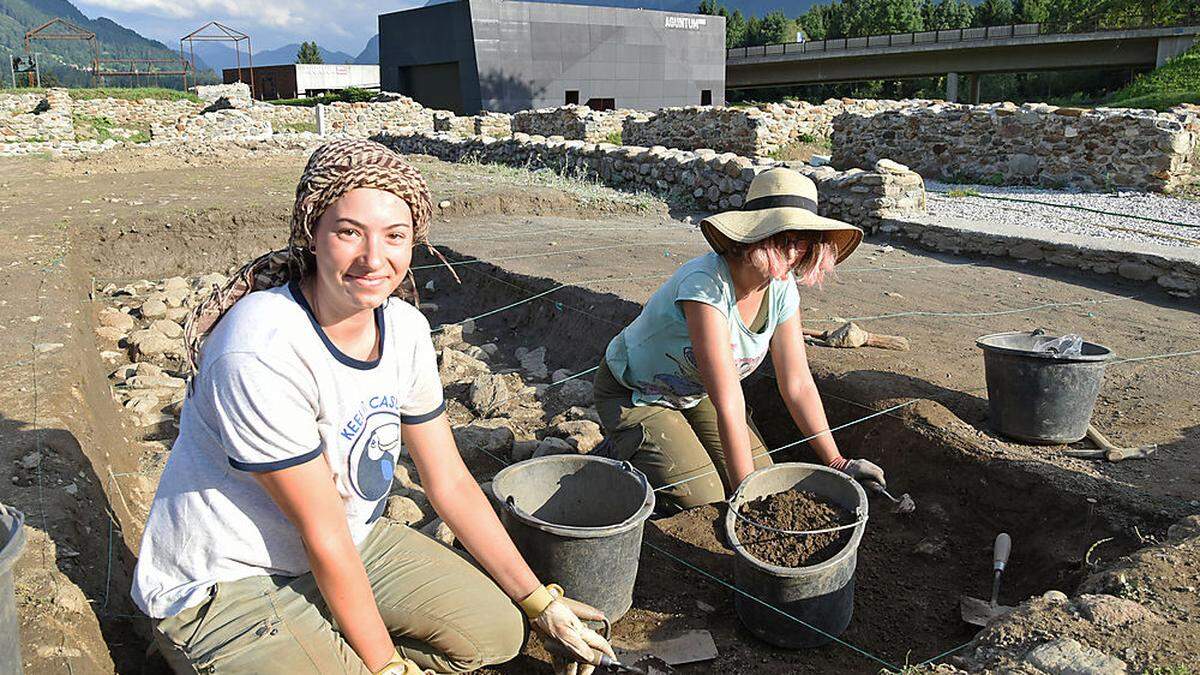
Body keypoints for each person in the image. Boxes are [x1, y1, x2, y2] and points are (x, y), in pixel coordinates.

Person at [132, 140, 614, 675]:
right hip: (229, 578)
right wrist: (386, 665)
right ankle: (209, 645)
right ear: (311, 234)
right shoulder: (261, 346)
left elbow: (449, 480)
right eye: (348, 232)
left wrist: (539, 602)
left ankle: (323, 630)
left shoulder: (403, 327)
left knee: (499, 633)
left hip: (347, 542)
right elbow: (322, 531)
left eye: (395, 236)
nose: (373, 259)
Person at [593, 167, 887, 512]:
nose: (793, 251)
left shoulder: (781, 290)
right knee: (703, 499)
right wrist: (746, 505)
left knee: (764, 479)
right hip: (636, 394)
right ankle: (619, 451)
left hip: (694, 394)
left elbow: (797, 384)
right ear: (755, 234)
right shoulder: (705, 286)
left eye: (802, 238)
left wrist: (838, 462)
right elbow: (729, 397)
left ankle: (666, 446)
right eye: (782, 237)